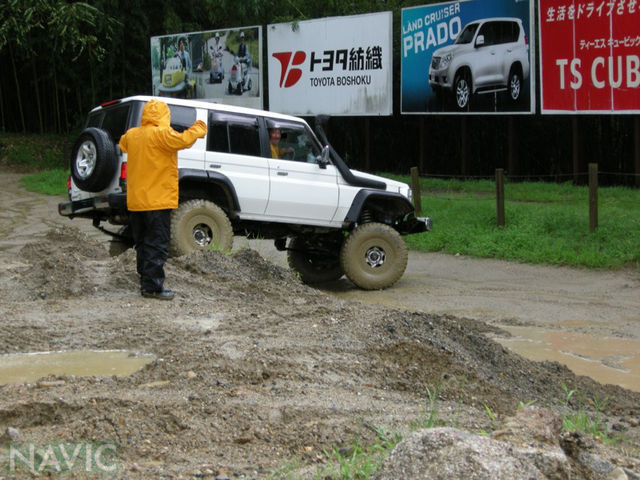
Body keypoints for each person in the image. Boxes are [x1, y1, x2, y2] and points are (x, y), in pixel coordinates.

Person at [119, 99, 207, 300]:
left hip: (136, 202)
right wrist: (200, 127)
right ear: (164, 116)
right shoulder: (163, 134)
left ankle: (145, 282)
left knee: (142, 243)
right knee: (157, 244)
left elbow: (122, 144)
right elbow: (184, 140)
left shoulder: (132, 136)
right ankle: (153, 288)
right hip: (157, 201)